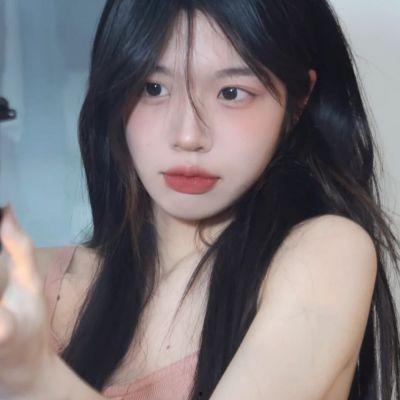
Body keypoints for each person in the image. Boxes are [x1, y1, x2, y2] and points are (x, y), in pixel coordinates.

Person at [0, 0, 399, 399]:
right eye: (153, 88)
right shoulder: (33, 284)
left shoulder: (326, 254)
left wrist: (33, 375)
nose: (188, 136)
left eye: (232, 93)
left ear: (298, 101)